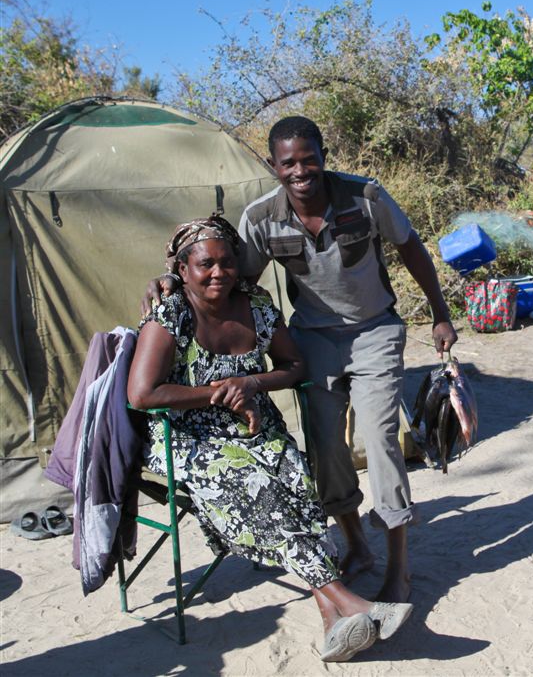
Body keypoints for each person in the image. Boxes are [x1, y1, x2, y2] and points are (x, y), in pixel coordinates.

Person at [144, 116, 456, 603]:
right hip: (314, 338)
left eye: (309, 159)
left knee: (379, 440)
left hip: (375, 330)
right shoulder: (262, 218)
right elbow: (226, 278)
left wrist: (440, 314)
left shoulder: (365, 197)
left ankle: (400, 567)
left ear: (323, 156)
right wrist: (170, 283)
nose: (300, 171)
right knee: (325, 446)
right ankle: (356, 545)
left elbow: (411, 247)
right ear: (274, 166)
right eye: (288, 163)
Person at [129, 216, 412, 662]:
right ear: (182, 270)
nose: (219, 272)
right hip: (184, 437)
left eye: (227, 263)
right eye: (205, 265)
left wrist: (255, 384)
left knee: (296, 478)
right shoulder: (171, 313)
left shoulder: (257, 304)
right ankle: (346, 599)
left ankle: (331, 619)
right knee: (255, 489)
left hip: (254, 427)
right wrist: (220, 394)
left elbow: (294, 365)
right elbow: (143, 393)